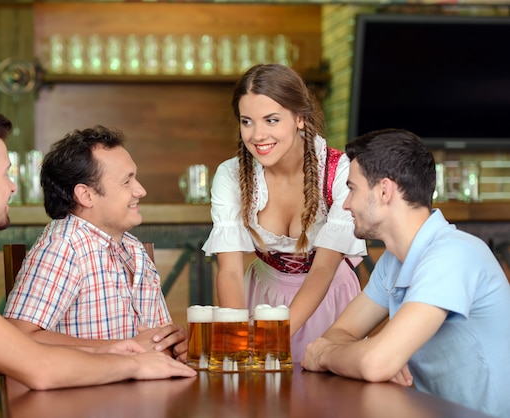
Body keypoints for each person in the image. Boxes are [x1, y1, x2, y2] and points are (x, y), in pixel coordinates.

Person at [0, 102, 196, 418]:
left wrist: (128, 349)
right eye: (5, 173)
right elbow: (34, 366)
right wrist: (132, 359)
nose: (13, 187)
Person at [301, 128, 510, 417]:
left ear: (384, 190)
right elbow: (341, 332)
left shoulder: (452, 255)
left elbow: (372, 361)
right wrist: (373, 354)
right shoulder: (394, 260)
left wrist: (326, 355)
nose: (346, 203)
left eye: (352, 188)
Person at [202, 64, 367, 362]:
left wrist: (274, 335)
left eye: (272, 120)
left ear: (300, 118)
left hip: (328, 297)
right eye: (247, 122)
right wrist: (239, 334)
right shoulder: (231, 175)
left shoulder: (339, 171)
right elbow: (229, 271)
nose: (257, 135)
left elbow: (323, 269)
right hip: (260, 297)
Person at [3, 126, 188, 361]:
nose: (141, 190)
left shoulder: (132, 248)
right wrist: (123, 347)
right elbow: (19, 337)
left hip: (145, 390)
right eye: (126, 182)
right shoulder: (64, 246)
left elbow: (153, 343)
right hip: (88, 395)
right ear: (86, 195)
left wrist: (174, 342)